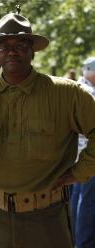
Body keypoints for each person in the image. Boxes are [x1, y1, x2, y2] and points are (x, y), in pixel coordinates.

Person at [0, 12, 95, 248]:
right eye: (5, 45)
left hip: (47, 220)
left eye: (21, 44)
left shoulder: (68, 94)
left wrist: (79, 172)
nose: (13, 50)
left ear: (32, 51)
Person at [70, 57, 95, 248]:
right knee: (87, 204)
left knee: (79, 202)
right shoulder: (88, 92)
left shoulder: (77, 88)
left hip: (77, 158)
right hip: (88, 158)